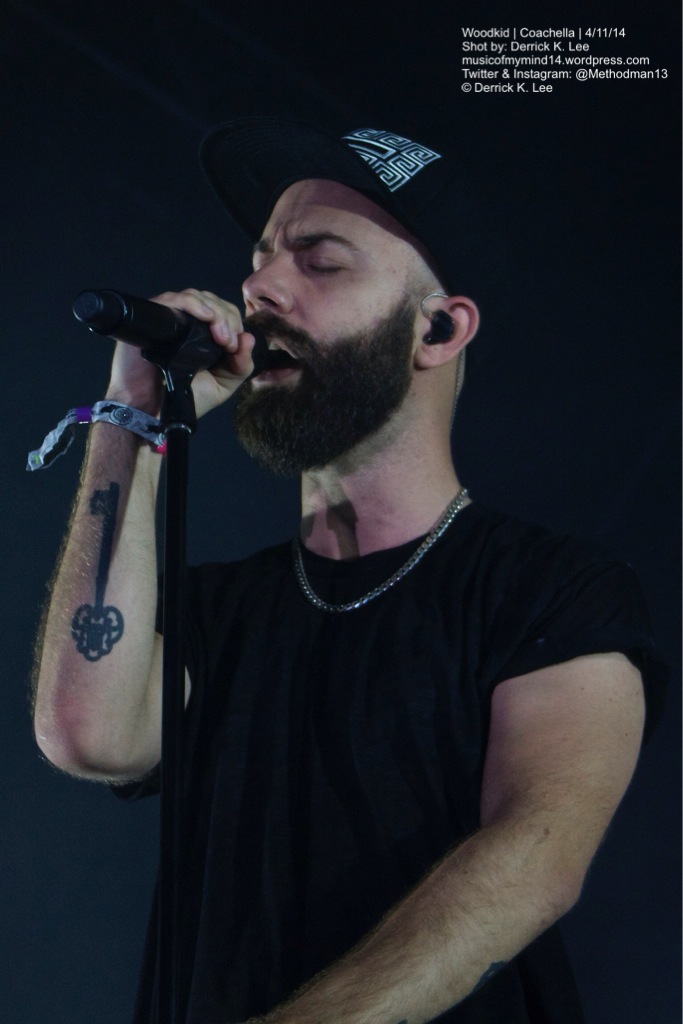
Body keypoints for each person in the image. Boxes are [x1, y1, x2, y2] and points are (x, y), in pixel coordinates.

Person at [32, 117, 664, 1024]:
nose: (257, 288)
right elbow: (86, 736)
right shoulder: (220, 610)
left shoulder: (553, 590)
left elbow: (534, 856)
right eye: (259, 259)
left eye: (319, 262)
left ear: (437, 329)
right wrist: (130, 411)